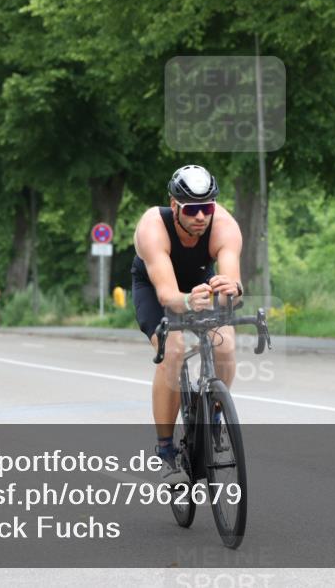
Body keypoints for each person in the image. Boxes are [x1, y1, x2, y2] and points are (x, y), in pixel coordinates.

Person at [131, 165, 244, 484]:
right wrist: (187, 303)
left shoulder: (224, 226)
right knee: (174, 349)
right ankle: (166, 451)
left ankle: (215, 417)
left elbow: (231, 286)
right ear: (174, 203)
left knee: (226, 341)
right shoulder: (153, 227)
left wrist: (231, 292)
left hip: (200, 279)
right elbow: (167, 295)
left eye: (206, 208)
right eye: (192, 209)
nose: (200, 217)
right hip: (155, 288)